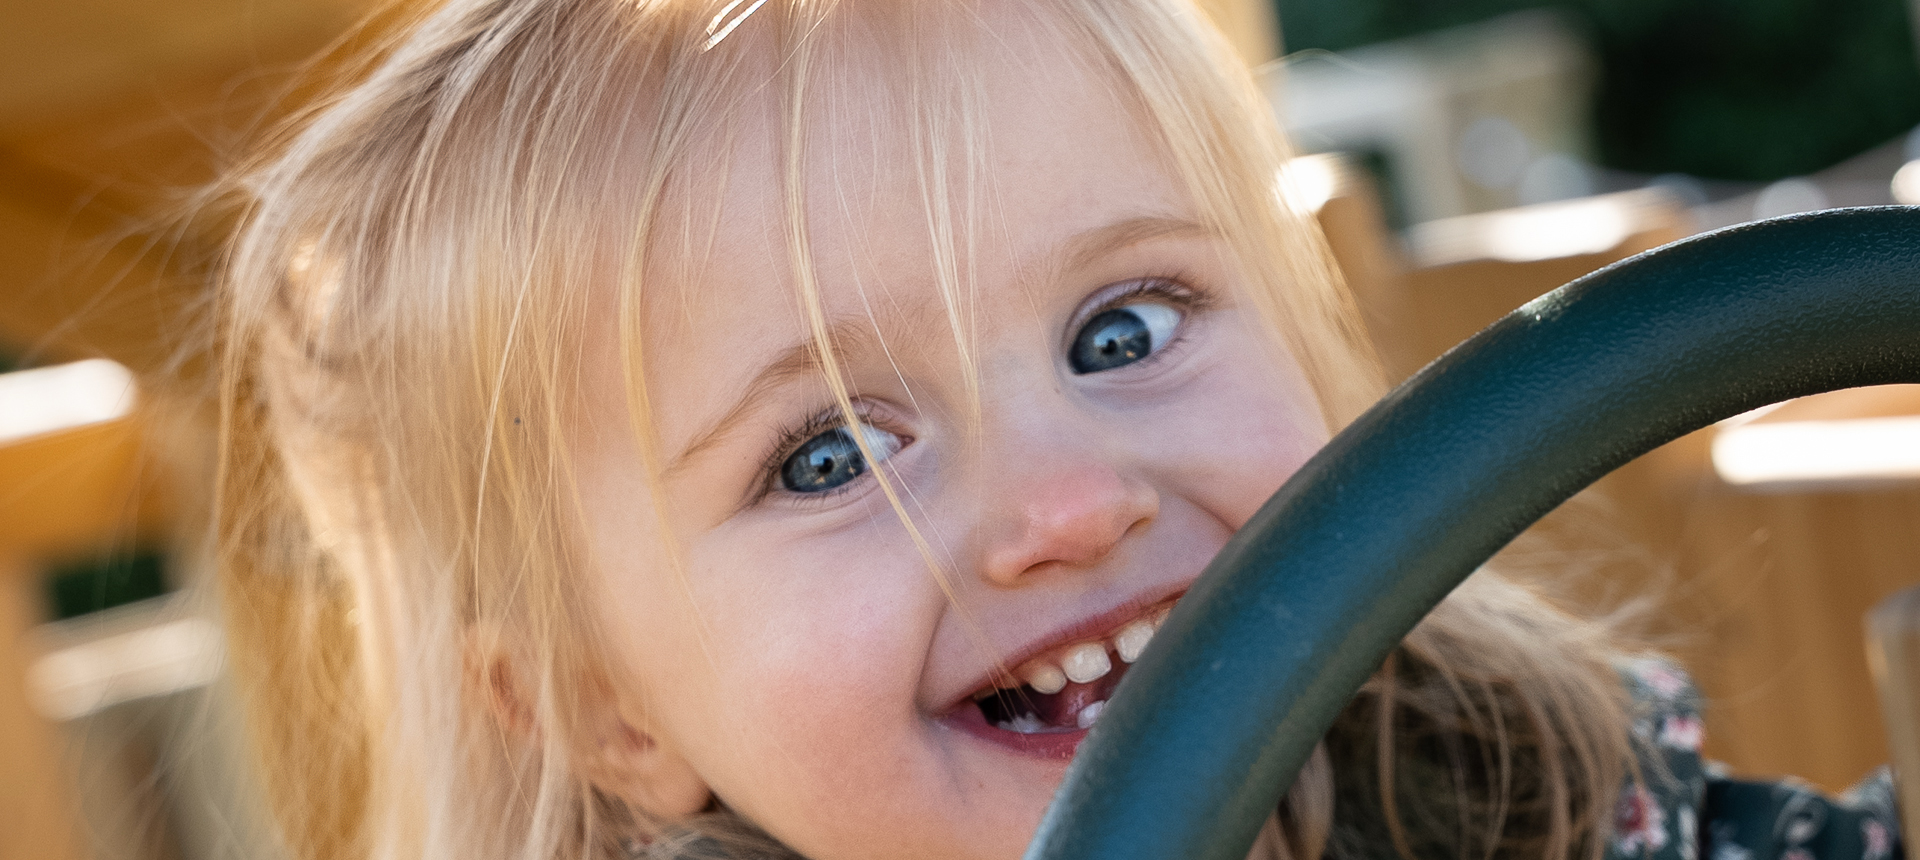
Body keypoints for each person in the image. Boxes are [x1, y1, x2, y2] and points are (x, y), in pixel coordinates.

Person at [207, 1, 1901, 859]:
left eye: (1123, 330)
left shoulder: (1535, 803)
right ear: (606, 711)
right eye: (829, 454)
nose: (1074, 505)